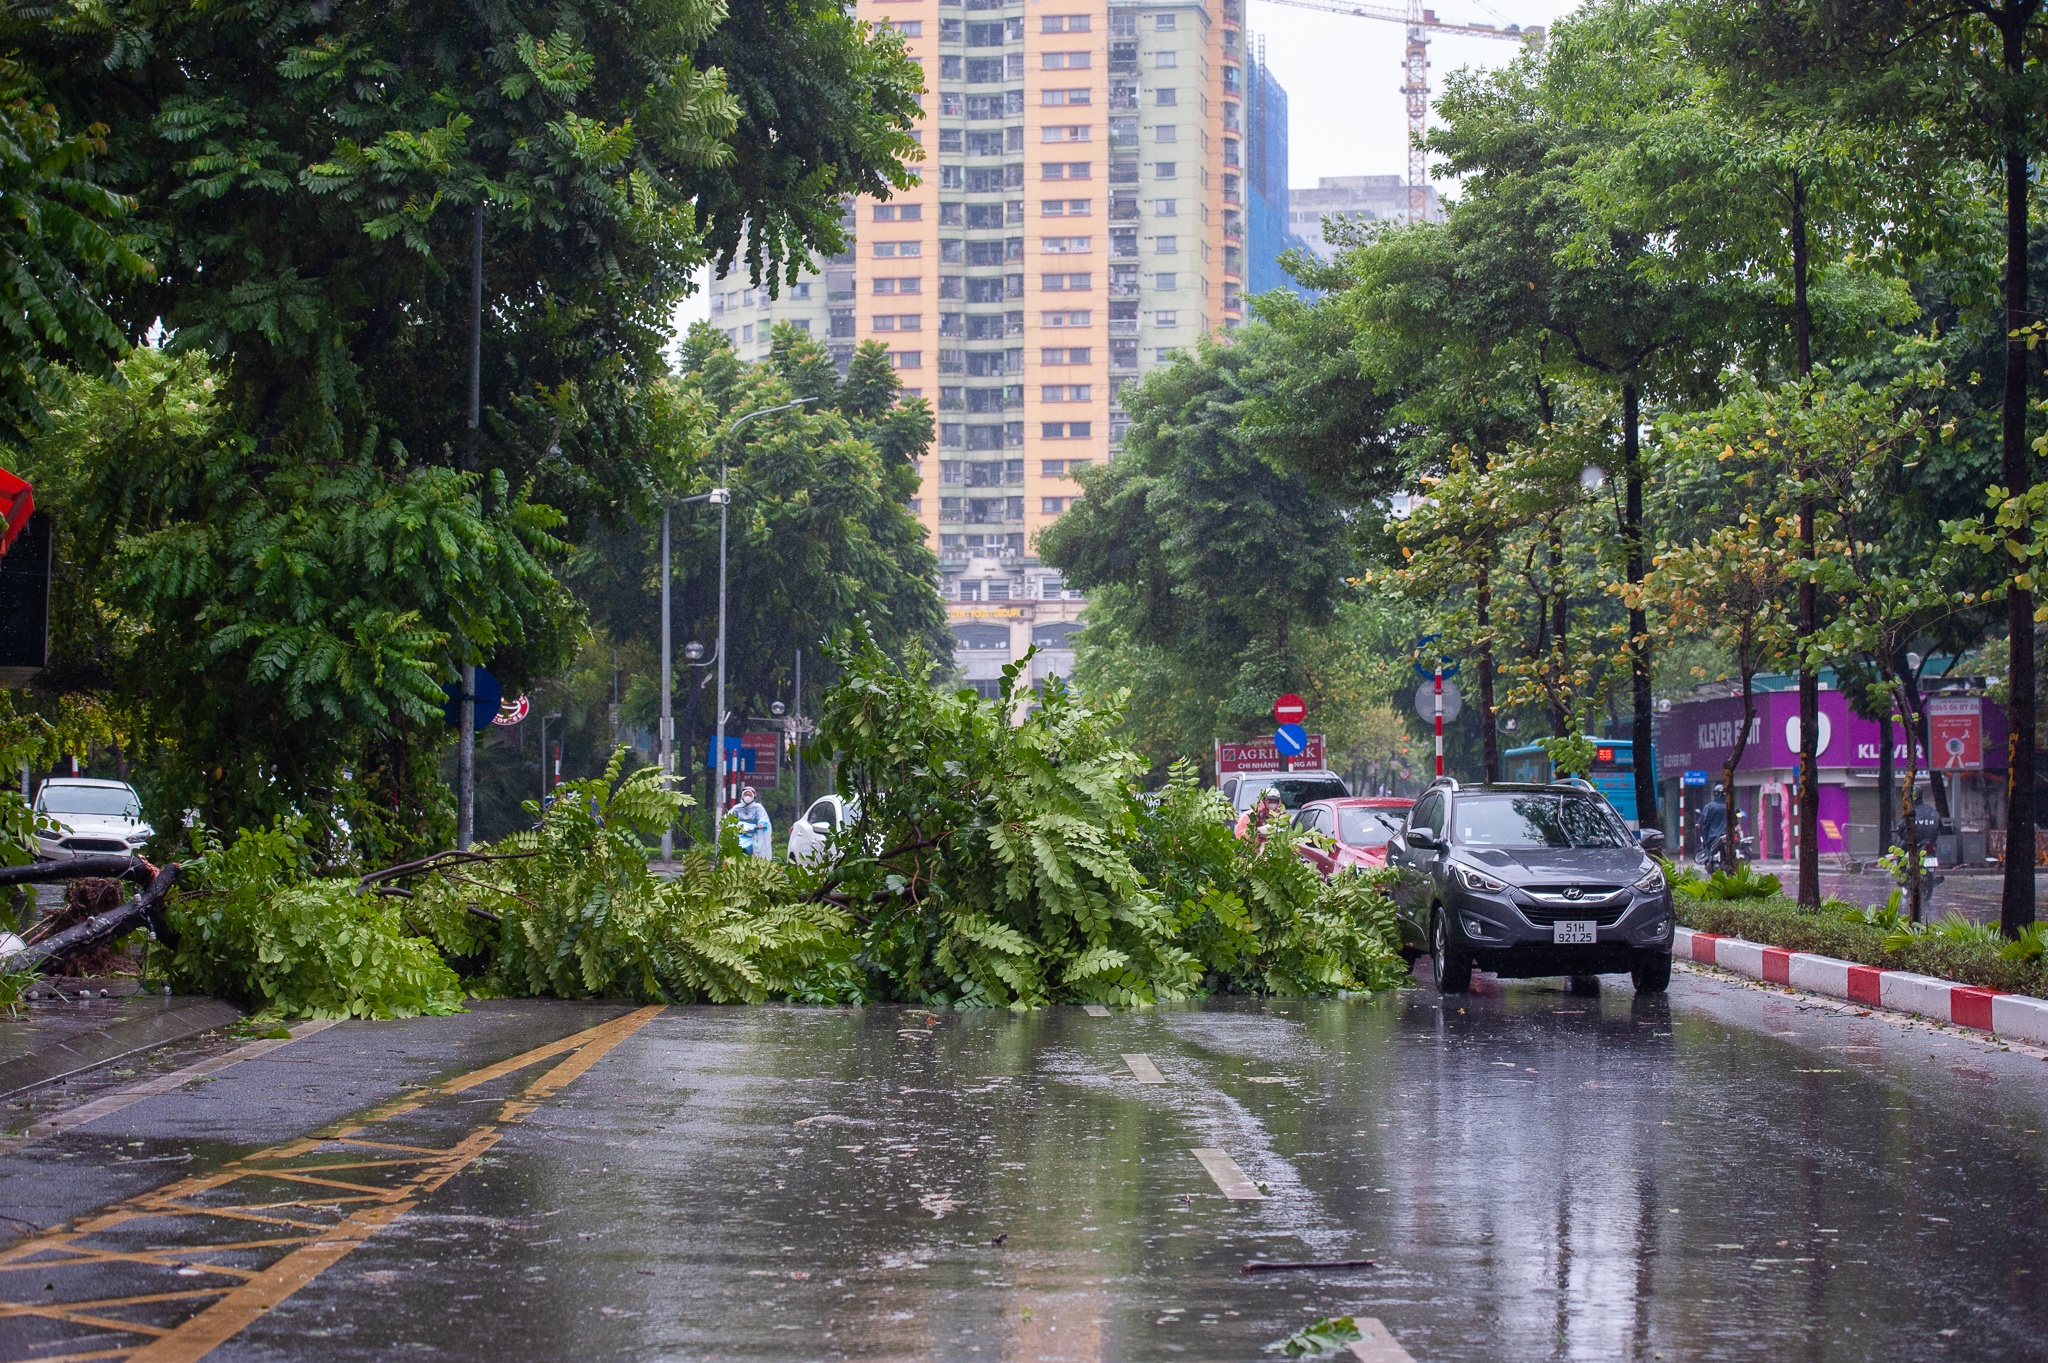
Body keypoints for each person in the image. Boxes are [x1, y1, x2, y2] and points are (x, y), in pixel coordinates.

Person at [733, 786, 773, 859]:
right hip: (739, 834)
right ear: (742, 795)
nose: (748, 797)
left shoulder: (758, 807)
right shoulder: (737, 808)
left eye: (750, 795)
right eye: (746, 794)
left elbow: (763, 818)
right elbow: (730, 818)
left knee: (757, 851)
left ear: (753, 796)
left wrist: (762, 824)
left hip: (754, 834)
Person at [1698, 784, 1728, 862]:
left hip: (1713, 835)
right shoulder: (1729, 806)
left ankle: (1708, 856)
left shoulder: (1710, 807)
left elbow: (1704, 820)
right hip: (1727, 834)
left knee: (1708, 847)